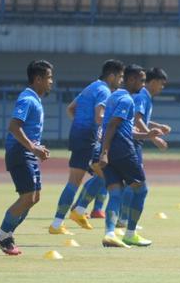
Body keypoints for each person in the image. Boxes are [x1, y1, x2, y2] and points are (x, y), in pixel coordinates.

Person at [50, 58, 123, 235]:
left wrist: (82, 124)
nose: (121, 81)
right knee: (93, 178)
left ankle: (69, 216)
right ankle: (70, 215)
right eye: (120, 77)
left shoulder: (91, 87)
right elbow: (100, 116)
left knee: (104, 175)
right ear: (111, 75)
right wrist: (109, 126)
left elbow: (71, 109)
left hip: (79, 136)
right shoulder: (104, 90)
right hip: (87, 139)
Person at [0, 60, 54, 256]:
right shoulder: (27, 99)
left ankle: (6, 233)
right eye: (49, 77)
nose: (52, 82)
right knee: (27, 196)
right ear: (38, 79)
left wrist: (36, 147)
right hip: (19, 153)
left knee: (33, 198)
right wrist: (33, 147)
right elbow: (14, 127)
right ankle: (3, 235)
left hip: (27, 153)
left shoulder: (35, 99)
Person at [96, 64, 151, 248]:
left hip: (109, 148)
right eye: (141, 80)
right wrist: (104, 153)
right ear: (131, 79)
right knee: (141, 189)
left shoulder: (114, 96)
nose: (143, 85)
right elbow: (112, 125)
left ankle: (110, 234)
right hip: (122, 150)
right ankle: (130, 233)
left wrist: (148, 135)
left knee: (116, 192)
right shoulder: (127, 100)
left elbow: (121, 128)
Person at [118, 67, 170, 234]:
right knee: (135, 183)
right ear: (153, 82)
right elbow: (137, 119)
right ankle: (123, 219)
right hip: (133, 142)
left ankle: (122, 218)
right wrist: (153, 138)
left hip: (135, 141)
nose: (162, 88)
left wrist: (157, 126)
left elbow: (142, 118)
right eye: (161, 84)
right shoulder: (142, 96)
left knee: (131, 183)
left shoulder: (145, 97)